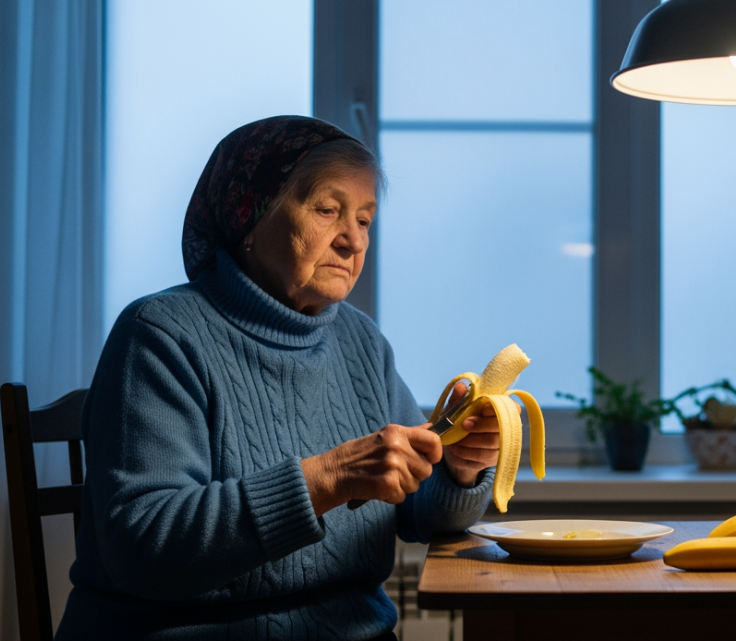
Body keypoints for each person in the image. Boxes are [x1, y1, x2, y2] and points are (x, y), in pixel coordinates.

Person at [55, 116, 505, 640]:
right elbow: (144, 547)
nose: (353, 242)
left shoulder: (360, 341)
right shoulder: (159, 334)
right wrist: (326, 479)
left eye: (365, 219)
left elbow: (419, 513)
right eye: (327, 210)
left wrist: (459, 469)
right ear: (249, 215)